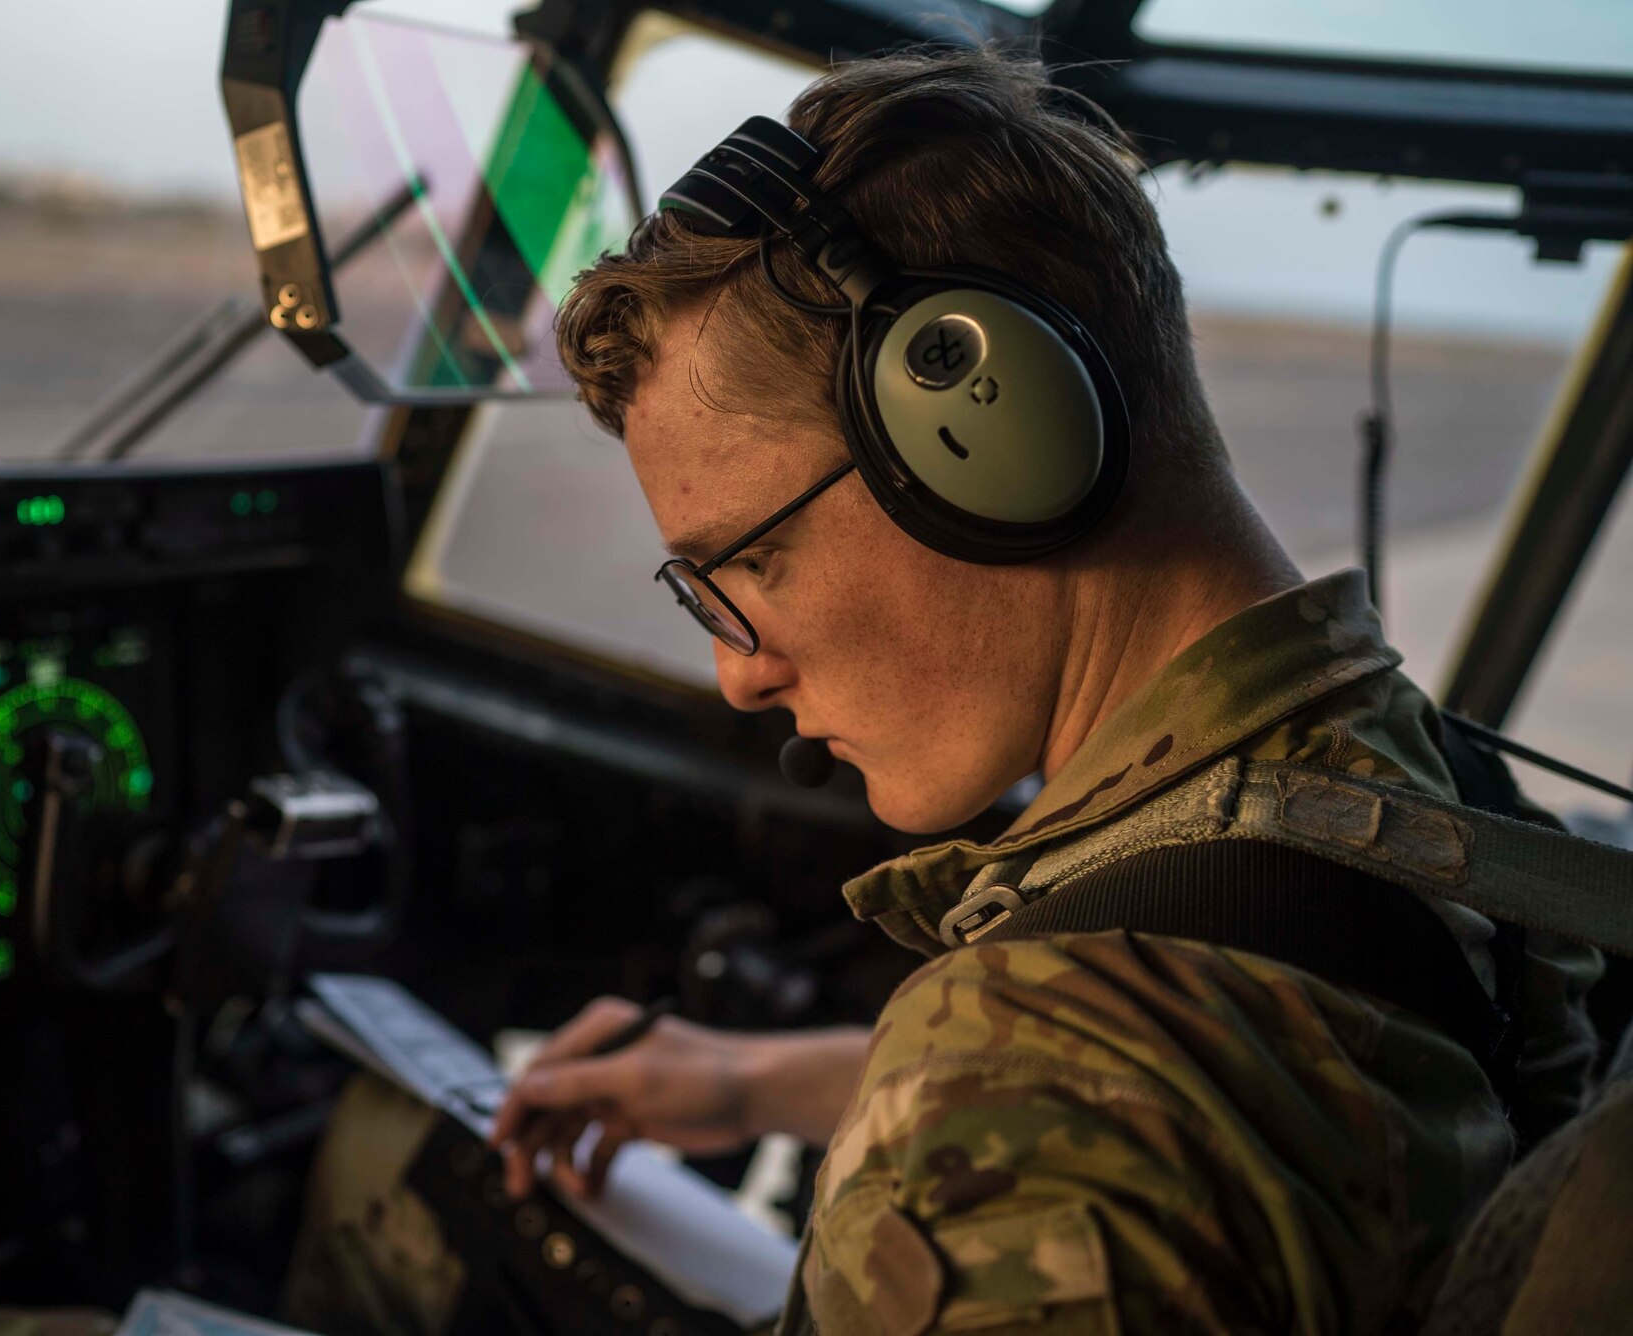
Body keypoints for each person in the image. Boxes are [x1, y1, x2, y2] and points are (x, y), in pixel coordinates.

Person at [288, 44, 1604, 1336]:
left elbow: (1093, 1106)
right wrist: (757, 1083)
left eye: (748, 563)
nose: (738, 671)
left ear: (989, 437)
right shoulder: (1423, 790)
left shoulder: (1035, 1082)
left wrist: (958, 1101)